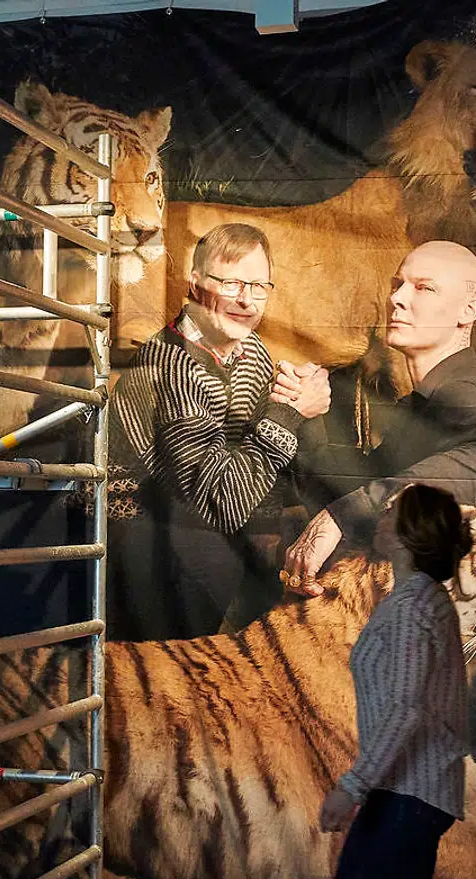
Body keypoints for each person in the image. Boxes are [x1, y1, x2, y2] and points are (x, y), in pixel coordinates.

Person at [283, 240, 476, 790]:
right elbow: (354, 487)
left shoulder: (471, 395)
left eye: (424, 288)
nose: (398, 299)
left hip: (469, 671)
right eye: (397, 284)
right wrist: (311, 414)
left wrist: (340, 517)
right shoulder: (423, 404)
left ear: (468, 311)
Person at [106, 222, 330, 640]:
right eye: (231, 284)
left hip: (205, 544)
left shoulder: (251, 350)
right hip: (141, 552)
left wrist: (301, 399)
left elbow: (264, 466)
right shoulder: (170, 366)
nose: (246, 300)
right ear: (195, 285)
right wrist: (291, 412)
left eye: (258, 287)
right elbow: (221, 502)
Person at [319, 483, 471, 879]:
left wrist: (352, 786)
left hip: (413, 789)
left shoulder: (413, 606)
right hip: (402, 787)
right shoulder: (416, 598)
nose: (379, 520)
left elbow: (407, 709)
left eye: (391, 514)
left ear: (407, 535)